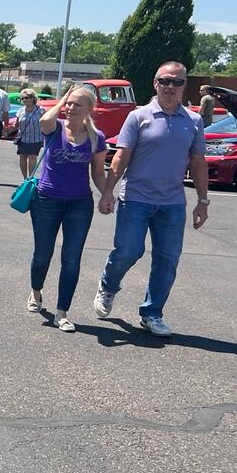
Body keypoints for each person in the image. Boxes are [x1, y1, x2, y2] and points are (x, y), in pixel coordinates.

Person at [93, 61, 209, 336]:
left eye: (176, 82)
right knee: (128, 251)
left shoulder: (193, 121)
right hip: (136, 198)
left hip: (172, 203)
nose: (170, 87)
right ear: (155, 83)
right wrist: (108, 191)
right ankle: (108, 286)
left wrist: (203, 202)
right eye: (165, 81)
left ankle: (151, 313)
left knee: (167, 259)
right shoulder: (138, 116)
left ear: (184, 86)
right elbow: (121, 156)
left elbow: (198, 162)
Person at [26, 86, 108, 332]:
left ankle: (62, 312)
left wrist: (107, 193)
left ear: (89, 110)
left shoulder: (97, 137)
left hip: (79, 204)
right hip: (45, 200)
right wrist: (63, 99)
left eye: (77, 105)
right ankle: (36, 291)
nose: (71, 108)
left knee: (71, 259)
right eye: (69, 103)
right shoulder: (55, 128)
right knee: (43, 254)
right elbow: (44, 119)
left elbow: (97, 172)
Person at [14, 88, 44, 179]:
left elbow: (45, 122)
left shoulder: (40, 110)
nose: (24, 100)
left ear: (33, 98)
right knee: (22, 158)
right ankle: (24, 178)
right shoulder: (21, 111)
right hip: (23, 138)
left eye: (26, 98)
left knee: (32, 158)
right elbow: (16, 124)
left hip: (36, 138)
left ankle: (30, 178)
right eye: (22, 98)